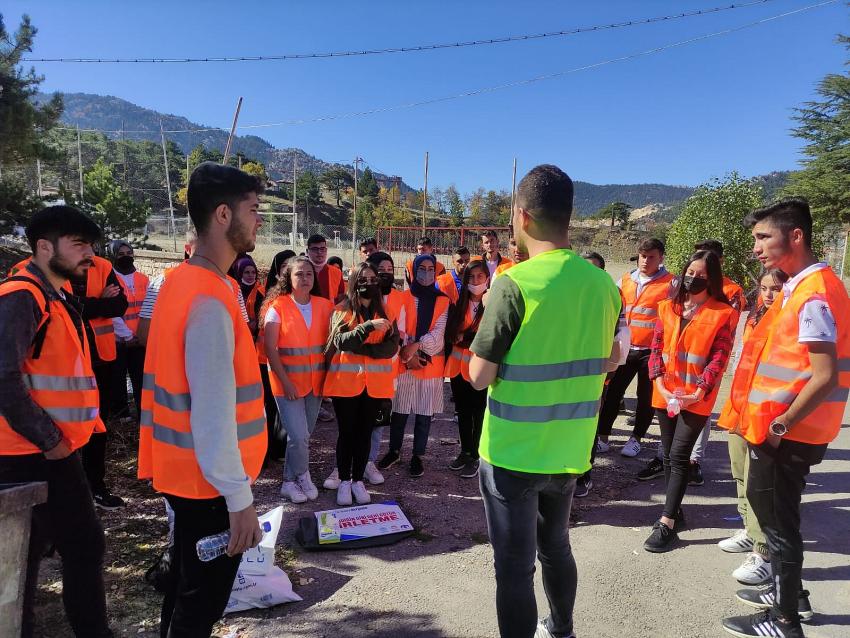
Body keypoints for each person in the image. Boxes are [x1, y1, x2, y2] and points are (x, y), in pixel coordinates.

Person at [468, 165, 620, 638]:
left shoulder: (514, 283)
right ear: (568, 218)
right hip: (570, 449)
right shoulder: (604, 285)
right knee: (556, 546)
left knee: (513, 567)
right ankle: (562, 629)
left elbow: (478, 376)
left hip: (513, 453)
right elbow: (613, 358)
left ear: (522, 216)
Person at [138, 162, 266, 637]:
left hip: (187, 476)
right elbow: (212, 415)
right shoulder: (210, 300)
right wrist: (240, 498)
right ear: (222, 215)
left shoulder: (181, 282)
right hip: (210, 487)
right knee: (199, 608)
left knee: (183, 594)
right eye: (253, 210)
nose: (259, 222)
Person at [719, 198, 849, 638]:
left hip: (787, 435)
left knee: (779, 525)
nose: (755, 248)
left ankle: (785, 621)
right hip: (777, 431)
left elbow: (825, 376)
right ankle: (788, 598)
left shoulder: (814, 294)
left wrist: (779, 427)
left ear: (795, 236)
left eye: (762, 237)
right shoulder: (801, 286)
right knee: (775, 520)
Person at [0, 205, 112, 638]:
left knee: (41, 553)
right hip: (30, 454)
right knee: (61, 550)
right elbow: (4, 378)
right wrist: (51, 441)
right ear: (44, 247)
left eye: (92, 246)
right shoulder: (21, 296)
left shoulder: (52, 294)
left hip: (47, 450)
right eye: (80, 245)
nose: (90, 255)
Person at [642, 250, 735, 552]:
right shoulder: (668, 307)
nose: (692, 278)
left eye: (701, 275)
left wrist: (700, 391)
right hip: (665, 393)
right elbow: (656, 349)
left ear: (712, 280)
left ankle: (666, 522)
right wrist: (658, 381)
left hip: (695, 398)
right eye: (690, 272)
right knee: (668, 454)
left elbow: (719, 357)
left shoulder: (723, 313)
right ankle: (676, 510)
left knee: (680, 455)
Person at [717, 269, 790, 588]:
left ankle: (764, 553)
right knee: (740, 473)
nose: (769, 294)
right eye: (764, 288)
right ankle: (749, 530)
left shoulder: (789, 320)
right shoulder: (754, 316)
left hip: (766, 412)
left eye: (776, 288)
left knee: (761, 483)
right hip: (741, 406)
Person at [324, 251, 406, 490]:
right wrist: (368, 328)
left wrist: (362, 349)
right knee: (346, 434)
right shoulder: (342, 309)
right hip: (345, 385)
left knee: (364, 434)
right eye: (363, 279)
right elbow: (340, 341)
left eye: (373, 279)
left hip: (375, 386)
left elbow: (392, 346)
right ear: (354, 282)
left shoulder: (387, 312)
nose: (369, 283)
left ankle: (358, 480)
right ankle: (343, 480)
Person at [260, 256, 332, 503]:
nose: (305, 278)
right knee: (299, 436)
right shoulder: (277, 307)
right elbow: (270, 349)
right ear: (288, 278)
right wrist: (286, 383)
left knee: (301, 436)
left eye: (309, 274)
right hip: (286, 384)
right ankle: (302, 475)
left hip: (316, 384)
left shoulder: (325, 306)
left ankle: (288, 482)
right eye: (299, 274)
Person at [597, 237, 674, 458]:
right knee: (613, 393)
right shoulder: (625, 280)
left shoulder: (671, 284)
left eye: (651, 257)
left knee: (645, 397)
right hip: (625, 348)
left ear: (661, 258)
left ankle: (636, 438)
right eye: (642, 256)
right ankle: (603, 437)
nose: (645, 261)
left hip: (651, 351)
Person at [681, 239, 747, 486]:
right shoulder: (684, 282)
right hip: (681, 356)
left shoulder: (732, 290)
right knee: (675, 406)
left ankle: (694, 461)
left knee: (701, 409)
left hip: (710, 358)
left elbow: (726, 326)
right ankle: (668, 457)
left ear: (719, 262)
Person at [377, 253, 450, 478]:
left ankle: (418, 455)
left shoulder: (443, 300)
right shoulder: (402, 296)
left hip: (430, 364)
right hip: (405, 362)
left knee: (423, 413)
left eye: (431, 269)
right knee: (399, 410)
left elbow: (438, 335)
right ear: (412, 271)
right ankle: (395, 450)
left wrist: (416, 346)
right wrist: (408, 355)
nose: (426, 273)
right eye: (422, 268)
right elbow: (397, 329)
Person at [74, 246, 129, 509]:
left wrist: (85, 305)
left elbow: (120, 304)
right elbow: (63, 306)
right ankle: (70, 492)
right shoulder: (38, 269)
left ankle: (96, 487)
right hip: (67, 364)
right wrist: (99, 303)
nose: (87, 249)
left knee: (99, 427)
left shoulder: (103, 266)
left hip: (101, 359)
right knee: (67, 432)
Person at [575, 250, 630, 498]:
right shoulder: (572, 294)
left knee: (588, 425)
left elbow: (621, 335)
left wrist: (610, 367)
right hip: (569, 373)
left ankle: (584, 474)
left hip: (598, 375)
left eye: (595, 269)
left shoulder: (613, 294)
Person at [444, 259, 489, 478]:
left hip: (480, 366)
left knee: (479, 411)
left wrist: (466, 336)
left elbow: (488, 336)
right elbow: (451, 332)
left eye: (480, 276)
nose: (475, 281)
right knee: (463, 411)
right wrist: (465, 337)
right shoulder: (458, 302)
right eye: (471, 277)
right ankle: (465, 451)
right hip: (457, 365)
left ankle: (477, 455)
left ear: (487, 278)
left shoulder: (491, 304)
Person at [110, 240, 149, 423]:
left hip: (140, 341)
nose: (126, 256)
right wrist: (127, 335)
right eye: (121, 253)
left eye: (129, 253)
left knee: (141, 379)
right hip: (119, 340)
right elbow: (112, 312)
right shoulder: (110, 279)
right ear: (113, 256)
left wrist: (141, 336)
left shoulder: (143, 279)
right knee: (117, 380)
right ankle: (122, 415)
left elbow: (149, 309)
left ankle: (144, 413)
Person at [307, 234, 345, 303]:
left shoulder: (337, 272)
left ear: (326, 250)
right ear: (307, 251)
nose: (319, 252)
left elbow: (340, 297)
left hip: (330, 312)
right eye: (315, 249)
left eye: (322, 249)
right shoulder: (301, 272)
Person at [233, 255, 264, 338]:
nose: (251, 275)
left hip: (257, 334)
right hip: (238, 332)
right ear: (239, 273)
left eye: (253, 272)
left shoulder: (261, 291)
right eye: (247, 272)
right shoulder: (234, 290)